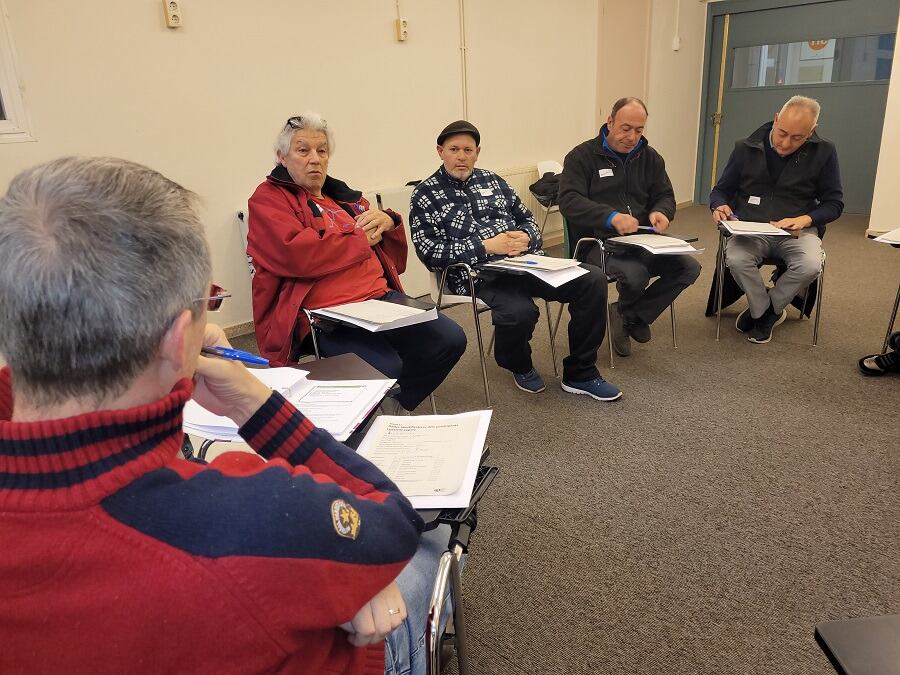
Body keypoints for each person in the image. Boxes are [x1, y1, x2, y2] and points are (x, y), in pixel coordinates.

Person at [0, 156, 447, 675]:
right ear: (176, 338)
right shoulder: (254, 512)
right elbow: (392, 519)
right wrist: (252, 404)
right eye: (208, 302)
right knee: (431, 545)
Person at [247, 112, 466, 410]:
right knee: (384, 365)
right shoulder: (267, 199)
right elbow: (295, 254)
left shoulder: (343, 197)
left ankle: (395, 404)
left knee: (449, 339)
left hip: (378, 300)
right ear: (282, 157)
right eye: (303, 150)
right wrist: (358, 238)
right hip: (326, 315)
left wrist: (388, 221)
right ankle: (375, 411)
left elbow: (393, 261)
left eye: (322, 151)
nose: (315, 159)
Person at [410, 120, 622, 401]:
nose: (461, 156)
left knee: (592, 279)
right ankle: (516, 362)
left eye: (468, 150)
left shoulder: (494, 181)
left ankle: (581, 373)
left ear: (477, 152)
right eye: (454, 149)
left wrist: (527, 237)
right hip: (478, 275)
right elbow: (429, 252)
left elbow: (528, 219)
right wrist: (484, 246)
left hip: (526, 263)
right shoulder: (425, 194)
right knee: (519, 312)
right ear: (440, 151)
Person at [559, 96, 701, 357]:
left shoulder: (650, 158)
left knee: (688, 268)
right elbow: (569, 201)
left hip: (643, 241)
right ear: (610, 122)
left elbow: (665, 195)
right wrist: (610, 217)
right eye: (626, 128)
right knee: (635, 276)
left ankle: (628, 314)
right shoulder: (582, 157)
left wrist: (662, 211)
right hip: (598, 244)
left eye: (639, 130)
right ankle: (631, 314)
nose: (632, 137)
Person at [709, 95, 844, 344]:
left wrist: (806, 218)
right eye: (782, 132)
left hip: (797, 232)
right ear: (776, 119)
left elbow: (834, 204)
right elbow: (721, 190)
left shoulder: (824, 151)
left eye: (797, 137)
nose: (785, 143)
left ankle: (767, 311)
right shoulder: (745, 147)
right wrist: (719, 205)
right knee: (736, 259)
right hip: (751, 229)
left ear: (812, 131)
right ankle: (764, 310)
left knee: (812, 264)